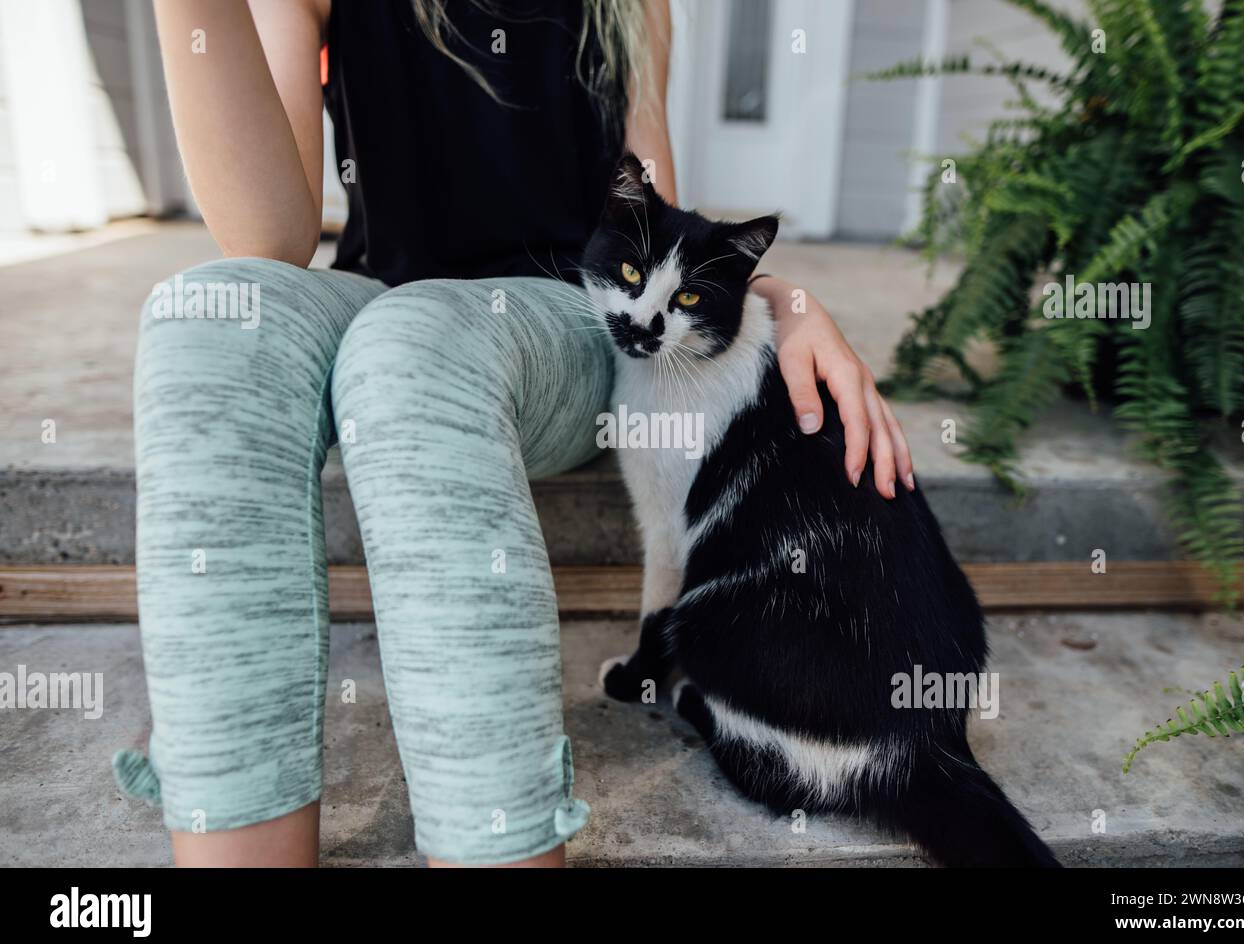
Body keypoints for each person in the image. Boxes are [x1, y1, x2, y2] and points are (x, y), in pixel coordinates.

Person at [113, 0, 915, 868]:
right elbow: (267, 240)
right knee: (208, 317)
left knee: (413, 344)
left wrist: (777, 301)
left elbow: (652, 220)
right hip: (375, 300)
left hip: (557, 317)